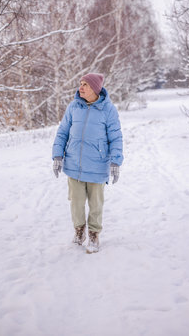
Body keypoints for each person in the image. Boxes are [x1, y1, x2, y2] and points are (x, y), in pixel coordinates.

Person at [52, 73, 123, 254]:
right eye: (80, 84)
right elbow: (62, 133)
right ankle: (79, 230)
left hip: (97, 166)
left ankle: (93, 234)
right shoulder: (74, 107)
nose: (80, 88)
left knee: (96, 203)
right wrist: (57, 155)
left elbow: (116, 137)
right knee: (76, 201)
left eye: (85, 85)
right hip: (74, 164)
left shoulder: (108, 110)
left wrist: (116, 161)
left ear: (95, 89)